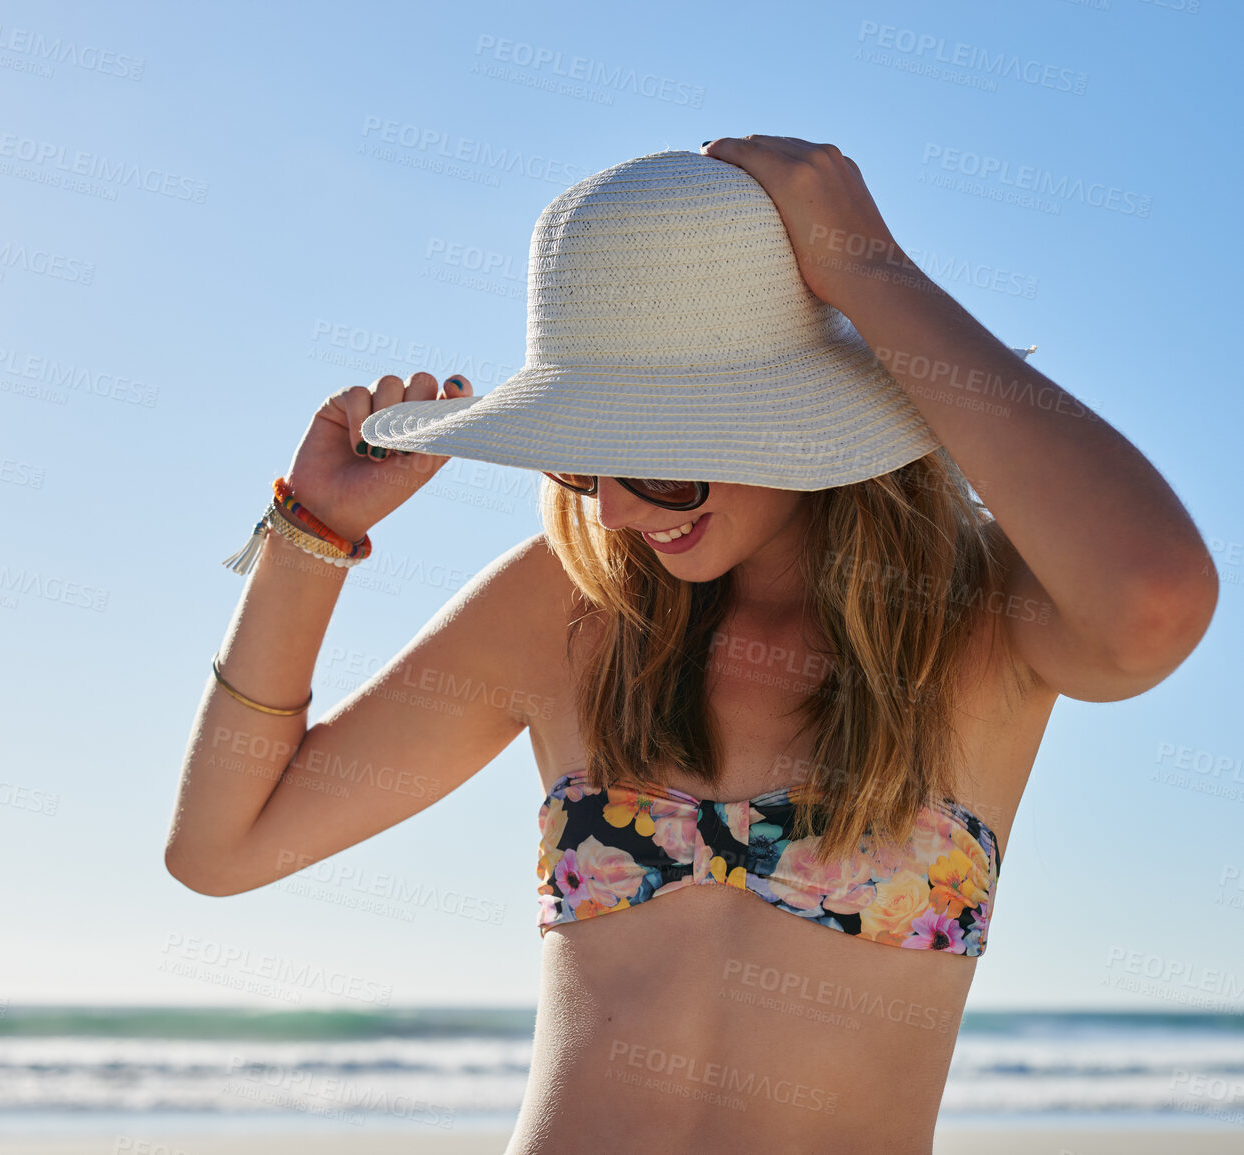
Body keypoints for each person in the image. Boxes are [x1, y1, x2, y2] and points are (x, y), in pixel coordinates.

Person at [164, 137, 1217, 1154]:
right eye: (582, 465)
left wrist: (869, 270)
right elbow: (224, 848)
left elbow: (1157, 599)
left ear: (782, 422)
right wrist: (312, 537)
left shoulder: (978, 615)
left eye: (661, 471)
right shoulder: (573, 605)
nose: (616, 515)